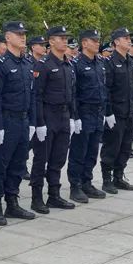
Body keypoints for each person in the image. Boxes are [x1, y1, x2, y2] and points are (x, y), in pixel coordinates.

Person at [0, 21, 37, 225]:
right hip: (6, 121)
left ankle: (12, 202)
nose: (23, 37)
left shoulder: (27, 64)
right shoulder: (0, 64)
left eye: (24, 33)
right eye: (18, 34)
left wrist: (32, 121)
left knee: (18, 164)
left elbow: (32, 94)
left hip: (23, 120)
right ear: (7, 38)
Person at [31, 25, 78, 212]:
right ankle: (36, 197)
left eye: (66, 37)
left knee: (58, 158)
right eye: (61, 37)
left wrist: (73, 117)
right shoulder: (43, 65)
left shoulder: (68, 64)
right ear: (51, 41)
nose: (65, 40)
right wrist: (39, 123)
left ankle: (54, 195)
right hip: (48, 116)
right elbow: (37, 96)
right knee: (41, 159)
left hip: (64, 116)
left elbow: (72, 93)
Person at [66, 29, 107, 203]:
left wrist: (105, 112)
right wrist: (75, 117)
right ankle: (75, 186)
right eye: (94, 40)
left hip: (97, 112)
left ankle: (86, 182)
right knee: (79, 151)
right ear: (84, 43)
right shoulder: (77, 64)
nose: (98, 43)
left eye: (98, 40)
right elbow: (73, 93)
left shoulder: (99, 63)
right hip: (83, 113)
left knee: (92, 151)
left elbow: (103, 89)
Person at [100, 28, 133, 192]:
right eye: (125, 38)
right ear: (116, 42)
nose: (129, 41)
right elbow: (106, 90)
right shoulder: (109, 62)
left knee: (125, 147)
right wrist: (108, 112)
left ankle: (119, 176)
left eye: (129, 38)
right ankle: (106, 179)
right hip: (116, 113)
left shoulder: (131, 61)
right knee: (112, 147)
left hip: (129, 112)